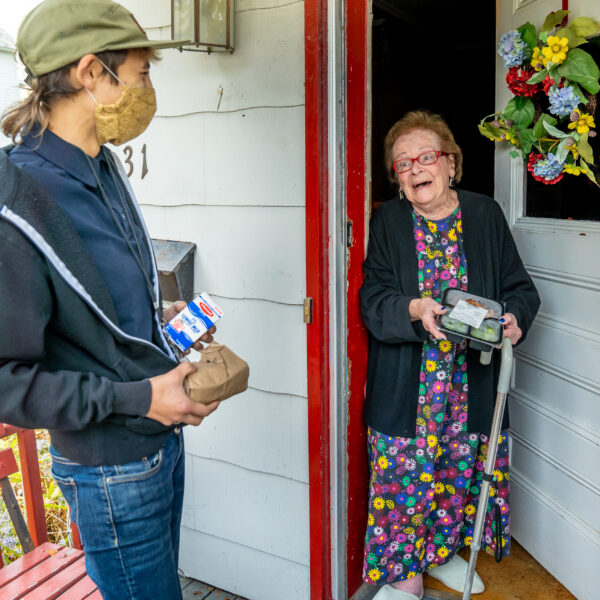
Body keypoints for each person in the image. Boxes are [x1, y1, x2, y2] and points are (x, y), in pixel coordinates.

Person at [0, 1, 219, 598]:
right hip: (110, 469)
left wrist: (158, 317)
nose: (149, 88)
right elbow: (7, 381)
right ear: (91, 72)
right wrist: (140, 396)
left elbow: (91, 313)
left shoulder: (101, 168)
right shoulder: (20, 203)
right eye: (142, 73)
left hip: (157, 447)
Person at [360, 110, 540, 600]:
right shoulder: (388, 221)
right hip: (409, 382)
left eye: (426, 157)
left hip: (471, 380)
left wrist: (514, 319)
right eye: (402, 163)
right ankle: (403, 574)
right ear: (396, 177)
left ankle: (441, 556)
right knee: (401, 476)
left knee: (457, 470)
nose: (416, 169)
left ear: (450, 162)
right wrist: (415, 308)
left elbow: (519, 288)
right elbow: (372, 299)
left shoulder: (483, 214)